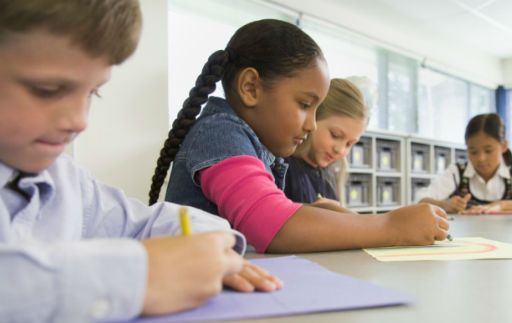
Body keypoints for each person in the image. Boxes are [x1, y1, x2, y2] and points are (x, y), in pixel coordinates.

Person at [0, 0, 280, 323]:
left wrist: (210, 244)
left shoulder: (63, 177)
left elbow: (140, 222)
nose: (79, 121)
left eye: (93, 93)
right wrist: (136, 276)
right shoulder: (220, 129)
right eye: (46, 90)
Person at [149, 19, 448, 254]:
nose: (312, 126)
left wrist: (314, 214)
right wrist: (390, 227)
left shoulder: (253, 144)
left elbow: (263, 216)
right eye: (305, 105)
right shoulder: (219, 133)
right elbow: (272, 226)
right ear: (251, 88)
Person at [417, 113, 512, 214]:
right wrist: (444, 204)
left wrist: (502, 205)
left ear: (503, 146)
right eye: (473, 151)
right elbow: (421, 200)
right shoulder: (457, 172)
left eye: (488, 151)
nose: (481, 158)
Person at [283, 78, 367, 214]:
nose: (340, 150)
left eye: (349, 144)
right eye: (335, 135)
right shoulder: (283, 167)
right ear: (312, 119)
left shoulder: (328, 176)